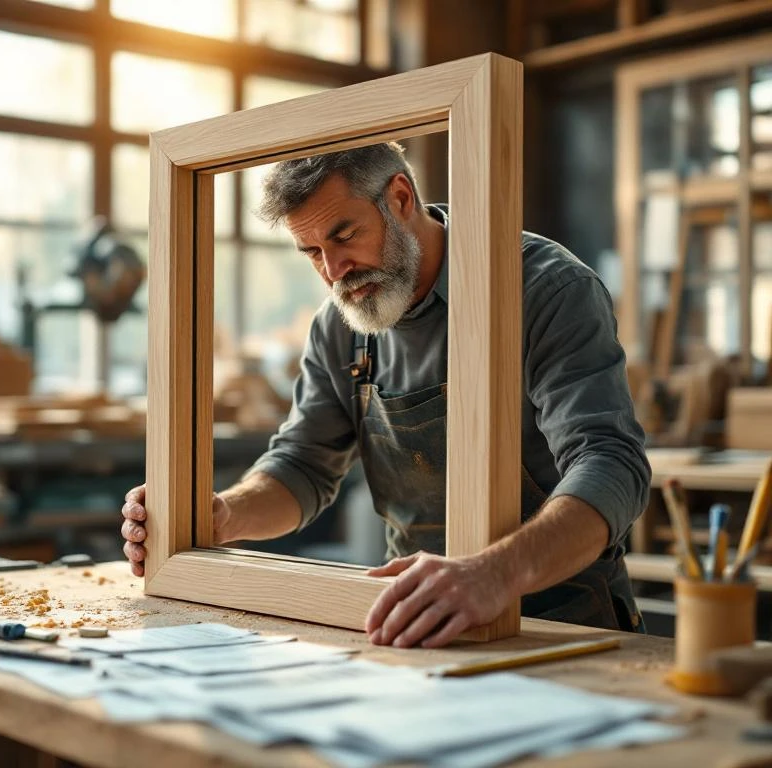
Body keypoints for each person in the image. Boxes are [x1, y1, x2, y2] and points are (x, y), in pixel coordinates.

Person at [121, 142, 651, 648]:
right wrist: (221, 515)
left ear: (400, 198)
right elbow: (302, 467)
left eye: (345, 236)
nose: (333, 272)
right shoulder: (340, 324)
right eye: (312, 253)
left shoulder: (542, 290)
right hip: (415, 623)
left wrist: (494, 574)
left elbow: (609, 463)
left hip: (562, 625)